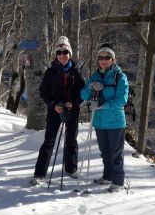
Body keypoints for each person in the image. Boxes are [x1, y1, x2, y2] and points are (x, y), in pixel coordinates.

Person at [30, 36, 85, 185]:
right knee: (49, 141)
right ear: (56, 54)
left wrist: (74, 103)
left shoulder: (75, 72)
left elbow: (83, 92)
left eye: (65, 51)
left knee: (71, 140)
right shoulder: (50, 72)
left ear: (70, 53)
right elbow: (43, 92)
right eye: (59, 52)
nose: (62, 55)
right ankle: (39, 174)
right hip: (55, 110)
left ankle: (71, 169)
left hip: (72, 110)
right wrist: (53, 104)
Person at [80, 43, 129, 193]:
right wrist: (89, 87)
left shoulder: (120, 77)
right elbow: (83, 95)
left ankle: (118, 181)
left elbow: (122, 100)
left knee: (115, 153)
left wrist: (103, 106)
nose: (103, 60)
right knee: (105, 152)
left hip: (115, 122)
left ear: (113, 59)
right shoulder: (95, 76)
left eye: (107, 57)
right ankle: (107, 177)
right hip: (100, 122)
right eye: (101, 57)